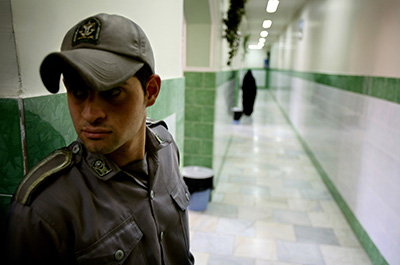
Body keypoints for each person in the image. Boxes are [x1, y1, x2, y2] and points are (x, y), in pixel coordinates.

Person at [6, 13, 195, 265]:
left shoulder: (166, 148)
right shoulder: (43, 210)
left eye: (113, 92)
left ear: (150, 91)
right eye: (77, 92)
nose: (90, 114)